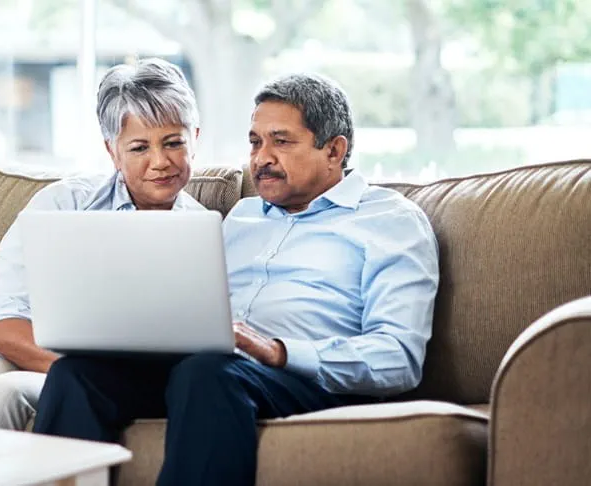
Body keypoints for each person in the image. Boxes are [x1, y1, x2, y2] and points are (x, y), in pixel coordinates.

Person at [31, 73, 441, 486]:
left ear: (334, 150)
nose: (261, 158)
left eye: (280, 142)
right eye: (254, 142)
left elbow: (399, 358)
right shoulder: (241, 216)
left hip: (305, 381)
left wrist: (279, 352)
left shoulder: (390, 220)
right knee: (77, 375)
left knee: (207, 372)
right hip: (214, 371)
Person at [0, 58, 206, 428]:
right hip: (14, 354)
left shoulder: (204, 233)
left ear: (195, 138)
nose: (160, 161)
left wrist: (91, 378)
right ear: (113, 151)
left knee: (2, 397)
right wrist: (79, 372)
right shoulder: (63, 204)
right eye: (139, 148)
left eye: (173, 143)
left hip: (91, 379)